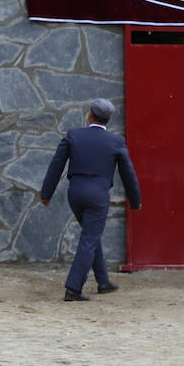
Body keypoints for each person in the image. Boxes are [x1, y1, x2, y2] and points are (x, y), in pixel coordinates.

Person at [40, 98, 140, 302]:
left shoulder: (73, 135)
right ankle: (73, 288)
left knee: (90, 236)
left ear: (90, 114)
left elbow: (56, 165)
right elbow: (128, 174)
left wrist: (46, 194)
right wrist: (135, 201)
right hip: (98, 195)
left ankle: (103, 282)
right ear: (107, 119)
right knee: (89, 239)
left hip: (75, 193)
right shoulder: (116, 142)